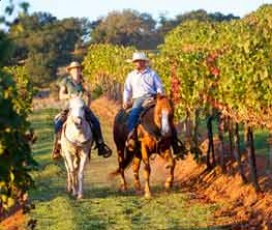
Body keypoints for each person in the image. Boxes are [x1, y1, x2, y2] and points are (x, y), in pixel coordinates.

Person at [123, 51, 183, 155]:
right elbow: (127, 89)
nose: (138, 63)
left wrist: (159, 94)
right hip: (139, 98)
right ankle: (132, 136)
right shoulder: (131, 75)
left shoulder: (152, 73)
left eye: (140, 61)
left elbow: (159, 85)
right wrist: (125, 100)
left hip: (153, 96)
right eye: (136, 62)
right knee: (133, 114)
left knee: (166, 114)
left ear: (144, 62)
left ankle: (174, 142)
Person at [51, 61, 112, 160]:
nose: (76, 71)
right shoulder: (66, 81)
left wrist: (87, 105)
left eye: (78, 69)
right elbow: (61, 95)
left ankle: (100, 145)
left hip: (81, 107)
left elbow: (89, 95)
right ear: (70, 71)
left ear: (80, 70)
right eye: (74, 69)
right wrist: (70, 95)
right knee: (58, 122)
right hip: (69, 106)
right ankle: (57, 146)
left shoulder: (83, 81)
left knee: (95, 122)